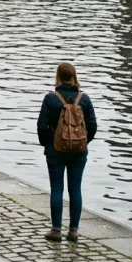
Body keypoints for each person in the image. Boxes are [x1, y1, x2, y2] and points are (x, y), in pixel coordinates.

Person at [36, 62, 97, 243]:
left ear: (58, 76)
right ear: (74, 76)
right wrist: (82, 142)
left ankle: (56, 230)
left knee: (57, 188)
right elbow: (92, 126)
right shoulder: (84, 99)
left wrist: (47, 143)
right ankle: (73, 231)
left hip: (55, 150)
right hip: (78, 152)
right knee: (75, 189)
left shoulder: (51, 98)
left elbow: (41, 126)